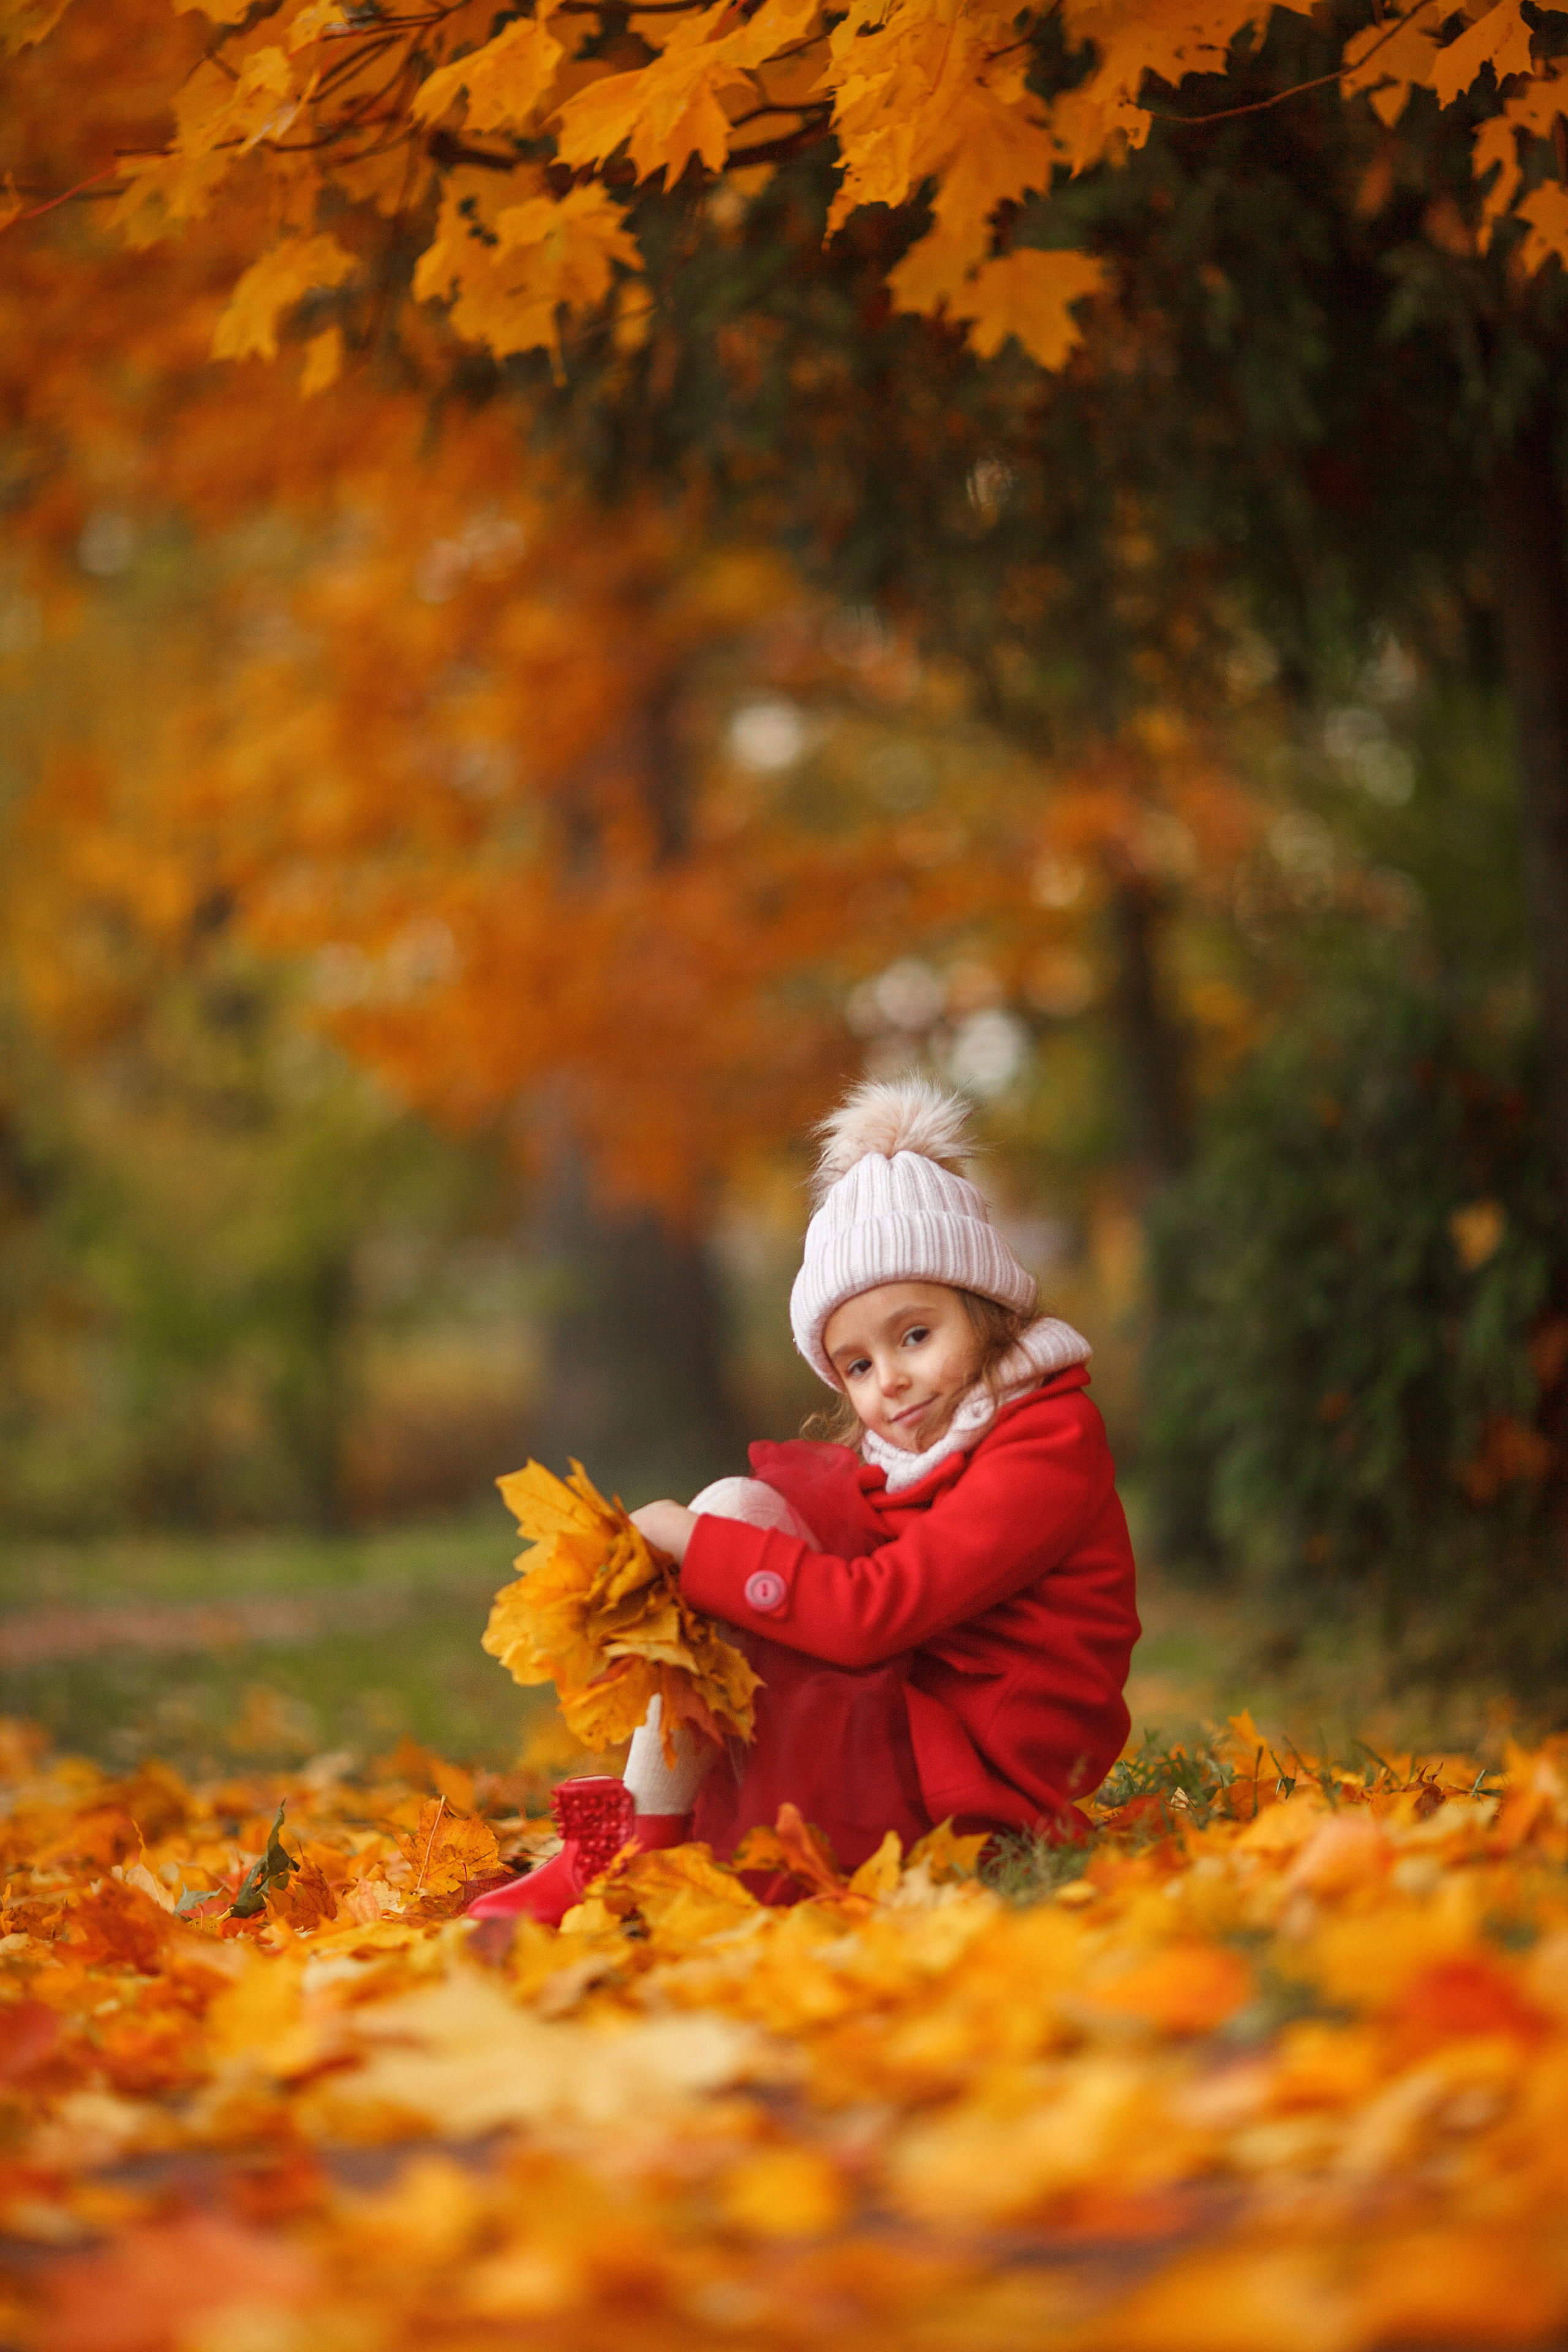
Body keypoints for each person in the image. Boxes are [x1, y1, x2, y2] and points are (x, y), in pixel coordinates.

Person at [468, 1076, 1139, 1926]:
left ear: (988, 1312)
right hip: (911, 1727)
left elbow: (876, 1613)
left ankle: (635, 1848)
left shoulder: (1047, 1442)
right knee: (743, 1503)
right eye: (856, 1365)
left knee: (724, 1529)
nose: (888, 1379)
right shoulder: (924, 1449)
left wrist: (689, 1538)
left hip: (974, 1788)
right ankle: (633, 1843)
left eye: (915, 1335)